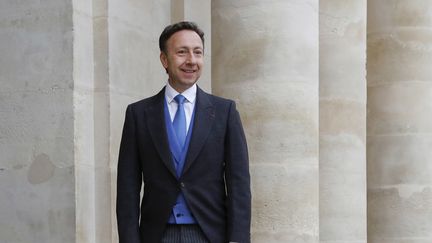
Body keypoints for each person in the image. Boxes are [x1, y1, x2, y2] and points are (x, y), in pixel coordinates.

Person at [116, 21, 251, 243]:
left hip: (209, 234)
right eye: (181, 52)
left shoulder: (224, 112)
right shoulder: (138, 114)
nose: (191, 60)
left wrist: (238, 238)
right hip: (157, 235)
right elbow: (127, 188)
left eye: (197, 53)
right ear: (164, 59)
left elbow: (239, 184)